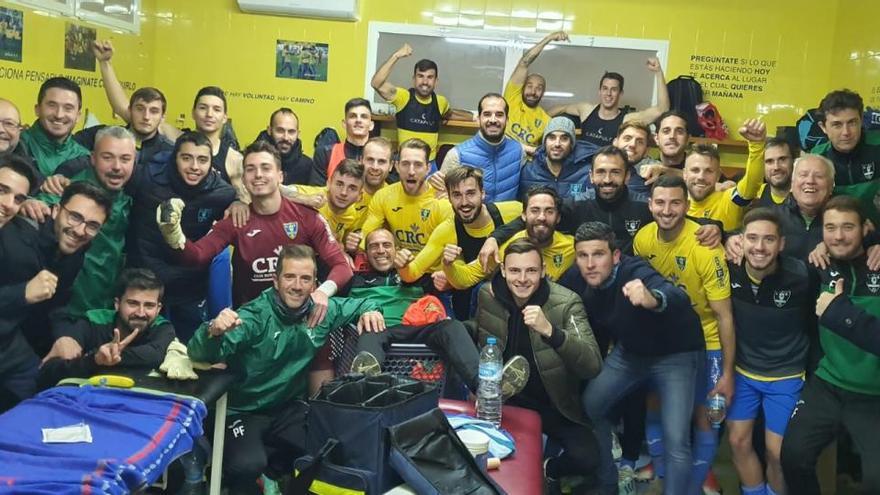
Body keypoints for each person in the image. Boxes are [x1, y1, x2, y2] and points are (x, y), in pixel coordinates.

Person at [186, 245, 382, 494]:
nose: (297, 286)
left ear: (314, 285)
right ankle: (251, 473)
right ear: (276, 281)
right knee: (247, 465)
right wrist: (212, 330)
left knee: (327, 450)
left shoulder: (321, 312)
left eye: (305, 279)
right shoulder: (255, 317)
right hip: (241, 411)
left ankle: (277, 472)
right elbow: (198, 353)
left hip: (286, 409)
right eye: (289, 277)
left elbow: (366, 302)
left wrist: (372, 311)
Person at [565, 222, 705, 495]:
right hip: (631, 353)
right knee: (591, 406)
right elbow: (549, 293)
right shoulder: (580, 274)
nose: (590, 263)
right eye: (583, 255)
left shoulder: (634, 271)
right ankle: (607, 483)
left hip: (675, 354)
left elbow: (677, 296)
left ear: (616, 256)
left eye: (599, 254)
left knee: (676, 439)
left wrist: (652, 298)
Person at [157, 140, 352, 325]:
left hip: (302, 324)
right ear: (243, 180)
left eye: (266, 168)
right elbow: (197, 256)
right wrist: (173, 235)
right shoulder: (236, 220)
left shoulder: (307, 217)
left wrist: (322, 293)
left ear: (280, 176)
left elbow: (342, 266)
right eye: (250, 169)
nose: (258, 174)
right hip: (252, 328)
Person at [471, 238, 602, 493]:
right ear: (503, 271)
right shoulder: (488, 295)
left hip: (555, 405)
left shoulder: (567, 302)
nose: (522, 279)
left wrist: (551, 331)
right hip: (506, 402)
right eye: (515, 271)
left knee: (588, 458)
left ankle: (548, 468)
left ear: (543, 270)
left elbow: (592, 364)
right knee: (496, 467)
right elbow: (480, 336)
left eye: (531, 270)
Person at [633, 175, 735, 495]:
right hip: (664, 339)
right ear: (650, 205)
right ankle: (664, 471)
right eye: (660, 202)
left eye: (675, 202)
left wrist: (728, 372)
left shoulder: (706, 248)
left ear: (687, 206)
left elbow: (724, 315)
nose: (667, 210)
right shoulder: (643, 239)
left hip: (706, 341)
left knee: (706, 417)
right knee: (653, 404)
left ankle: (693, 484)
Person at [349, 228, 528, 396]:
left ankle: (486, 389)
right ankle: (366, 388)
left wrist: (447, 275)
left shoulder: (415, 275)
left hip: (417, 328)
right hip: (381, 330)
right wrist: (364, 311)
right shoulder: (355, 280)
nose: (380, 250)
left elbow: (451, 284)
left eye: (386, 245)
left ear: (397, 250)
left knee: (452, 326)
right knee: (370, 331)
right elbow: (340, 305)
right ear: (366, 253)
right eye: (374, 246)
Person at [781, 196, 880, 494]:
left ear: (865, 228)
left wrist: (839, 313)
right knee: (793, 457)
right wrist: (728, 238)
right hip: (827, 384)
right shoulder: (819, 265)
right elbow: (768, 254)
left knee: (875, 480)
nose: (838, 236)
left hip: (874, 394)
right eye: (831, 228)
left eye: (847, 227)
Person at [725, 208, 814, 495]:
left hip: (786, 377)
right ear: (741, 240)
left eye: (768, 239)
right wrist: (721, 233)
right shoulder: (729, 268)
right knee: (738, 442)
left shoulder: (801, 276)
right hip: (742, 374)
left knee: (777, 454)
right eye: (752, 238)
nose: (759, 247)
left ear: (782, 244)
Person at [125, 132, 236, 341]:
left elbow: (245, 200)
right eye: (187, 158)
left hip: (189, 289)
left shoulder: (222, 193)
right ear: (174, 157)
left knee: (188, 356)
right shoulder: (147, 177)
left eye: (202, 160)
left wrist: (237, 203)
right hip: (144, 287)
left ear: (212, 164)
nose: (194, 166)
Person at [20, 126, 136, 318]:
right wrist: (25, 204)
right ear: (92, 158)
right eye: (107, 157)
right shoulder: (65, 193)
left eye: (125, 159)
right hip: (62, 313)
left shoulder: (129, 199)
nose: (117, 166)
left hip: (104, 310)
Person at [483, 146, 654, 259]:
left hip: (629, 280)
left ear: (627, 176)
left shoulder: (645, 207)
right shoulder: (576, 205)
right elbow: (537, 218)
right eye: (601, 172)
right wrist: (494, 238)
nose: (607, 179)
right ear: (591, 176)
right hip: (586, 279)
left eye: (615, 172)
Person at [397, 166, 521, 318]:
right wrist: (402, 265)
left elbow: (535, 218)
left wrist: (495, 238)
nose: (464, 202)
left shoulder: (511, 211)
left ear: (482, 193)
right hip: (469, 301)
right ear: (448, 197)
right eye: (456, 195)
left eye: (470, 193)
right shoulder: (447, 230)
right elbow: (412, 273)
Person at [38, 268, 175, 390]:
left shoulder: (163, 328)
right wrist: (96, 359)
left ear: (158, 309)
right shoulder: (93, 321)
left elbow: (154, 356)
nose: (140, 312)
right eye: (133, 303)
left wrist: (112, 356)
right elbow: (48, 372)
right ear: (117, 304)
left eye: (149, 305)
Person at [371, 43, 472, 162]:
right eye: (420, 76)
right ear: (414, 79)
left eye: (430, 77)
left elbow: (449, 114)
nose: (425, 81)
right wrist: (396, 56)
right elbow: (376, 83)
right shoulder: (403, 97)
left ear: (436, 81)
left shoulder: (441, 102)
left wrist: (474, 117)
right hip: (406, 162)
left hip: (430, 165)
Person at [726, 154, 834, 262]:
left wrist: (832, 245)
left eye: (819, 176)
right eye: (803, 175)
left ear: (831, 186)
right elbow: (737, 234)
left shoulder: (842, 221)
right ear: (791, 185)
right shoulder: (771, 216)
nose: (810, 181)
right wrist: (729, 239)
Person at [359, 138, 452, 261]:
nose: (411, 171)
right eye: (405, 164)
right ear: (397, 166)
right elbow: (366, 238)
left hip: (433, 274)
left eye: (418, 165)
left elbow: (453, 250)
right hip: (398, 268)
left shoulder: (442, 200)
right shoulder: (383, 196)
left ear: (428, 168)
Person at [548, 57, 669, 147]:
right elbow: (562, 108)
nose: (608, 94)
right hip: (582, 170)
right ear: (599, 91)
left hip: (608, 172)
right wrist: (539, 121)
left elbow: (662, 109)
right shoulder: (586, 110)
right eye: (605, 89)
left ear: (620, 93)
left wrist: (658, 72)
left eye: (614, 90)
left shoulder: (627, 120)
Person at [683, 119, 767, 232]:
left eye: (709, 171)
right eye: (695, 170)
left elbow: (751, 184)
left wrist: (756, 145)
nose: (701, 177)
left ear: (718, 176)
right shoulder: (674, 206)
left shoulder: (729, 201)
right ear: (684, 174)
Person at [439, 93, 525, 202]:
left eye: (499, 115)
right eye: (487, 114)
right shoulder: (457, 155)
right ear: (478, 118)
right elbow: (441, 197)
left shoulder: (519, 151)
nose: (493, 120)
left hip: (508, 218)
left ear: (507, 120)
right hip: (471, 218)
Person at [812, 89, 880, 224]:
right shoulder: (816, 159)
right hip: (837, 237)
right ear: (823, 127)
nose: (846, 132)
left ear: (861, 121)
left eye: (852, 123)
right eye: (837, 124)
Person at [503, 30, 568, 152]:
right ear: (522, 87)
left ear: (543, 93)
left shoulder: (545, 120)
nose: (533, 92)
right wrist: (548, 39)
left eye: (539, 88)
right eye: (529, 86)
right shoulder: (511, 99)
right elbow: (524, 63)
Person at [18, 77, 89, 177]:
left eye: (68, 108)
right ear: (37, 109)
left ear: (78, 116)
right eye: (52, 105)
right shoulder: (15, 144)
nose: (59, 115)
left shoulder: (85, 158)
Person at [519, 116, 595, 201]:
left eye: (564, 139)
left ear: (571, 144)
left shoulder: (586, 172)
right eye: (552, 138)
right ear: (545, 142)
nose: (557, 144)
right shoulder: (528, 172)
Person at [309, 97, 374, 185]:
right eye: (353, 116)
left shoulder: (381, 157)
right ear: (344, 124)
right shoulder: (325, 153)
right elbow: (317, 192)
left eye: (364, 117)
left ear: (371, 125)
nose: (358, 120)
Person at [254, 107, 314, 185]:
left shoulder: (307, 166)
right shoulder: (251, 160)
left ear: (298, 134)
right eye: (280, 131)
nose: (286, 137)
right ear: (269, 130)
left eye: (291, 132)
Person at [613, 120, 656, 197]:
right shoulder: (593, 166)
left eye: (640, 142)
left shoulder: (653, 177)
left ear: (646, 151)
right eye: (627, 138)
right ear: (615, 142)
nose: (632, 145)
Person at [753, 137, 796, 208]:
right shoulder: (754, 195)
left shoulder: (807, 197)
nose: (776, 167)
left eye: (782, 159)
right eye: (769, 161)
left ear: (793, 161)